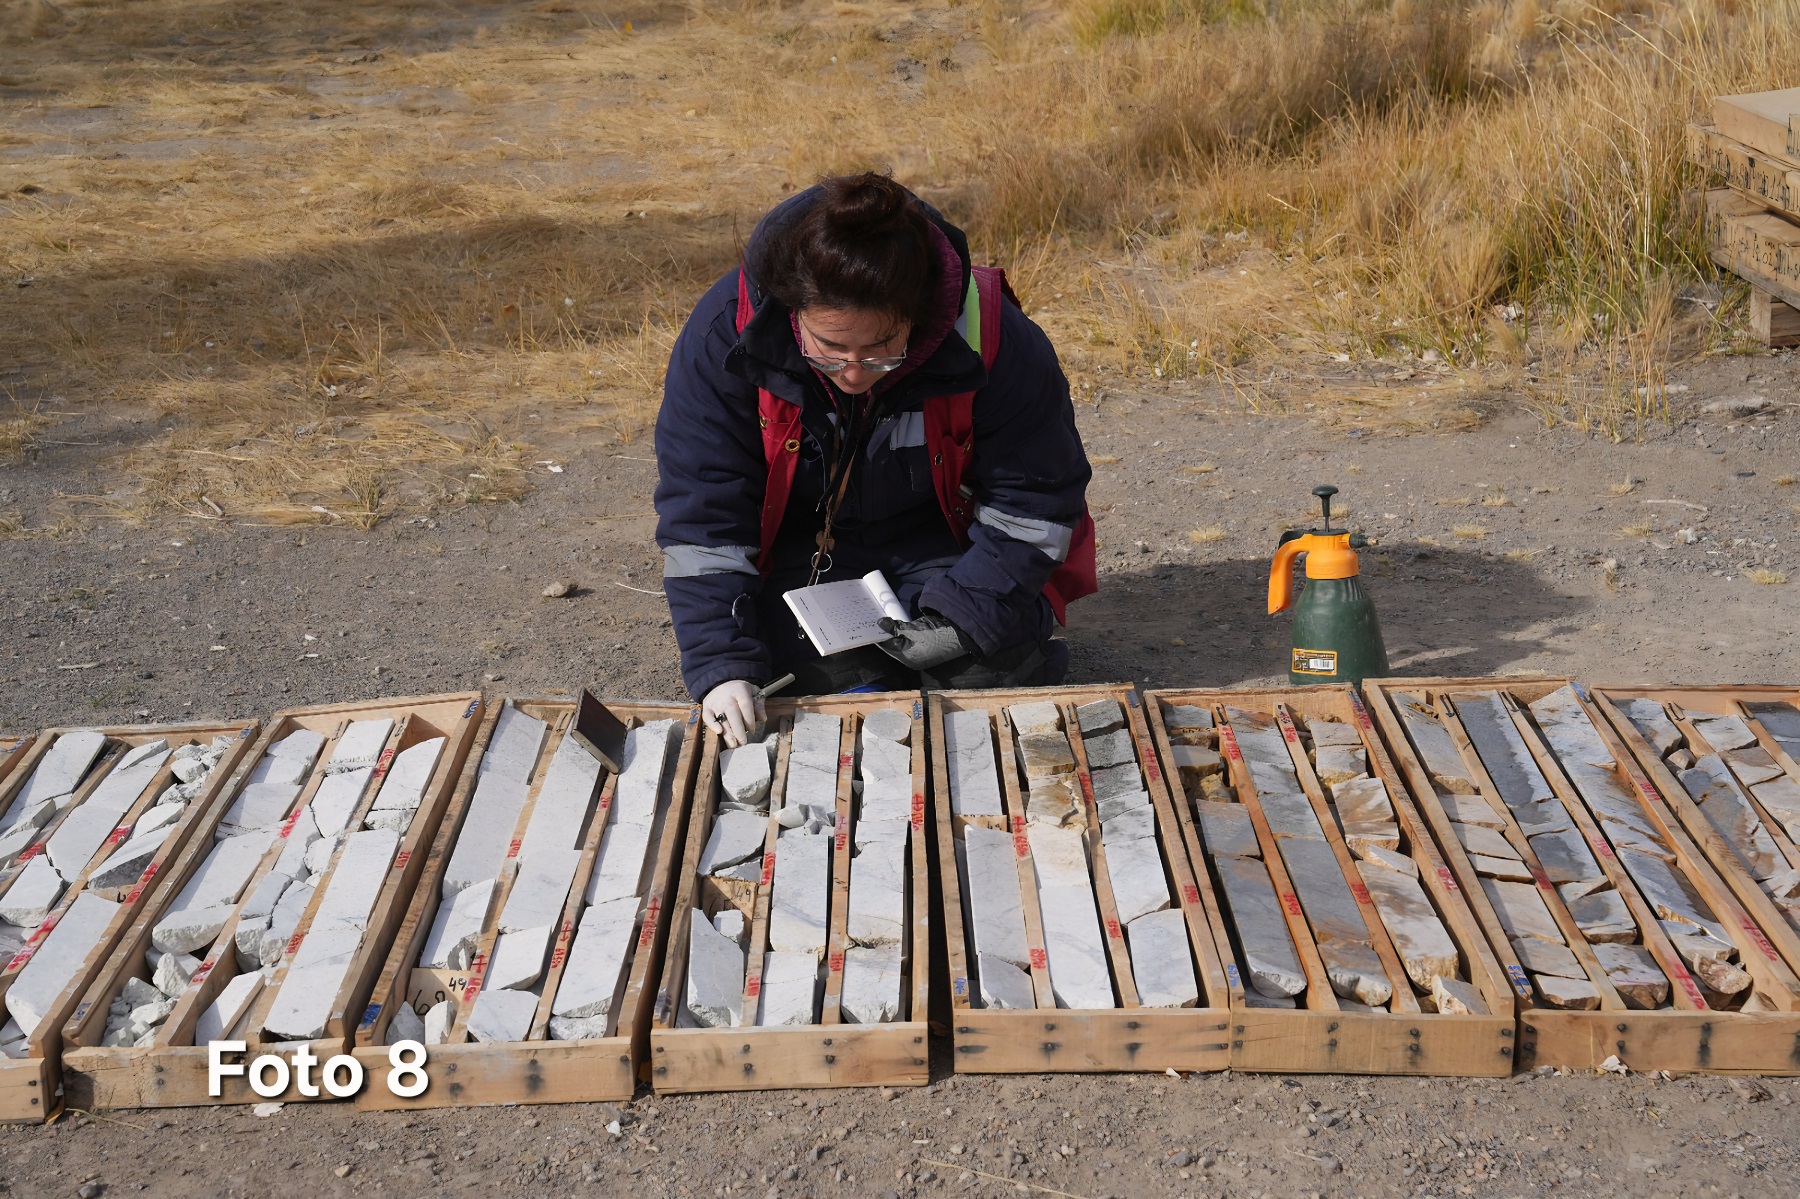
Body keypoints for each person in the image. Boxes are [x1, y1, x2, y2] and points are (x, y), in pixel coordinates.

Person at [654, 173, 1097, 747]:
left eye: (882, 351)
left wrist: (962, 614)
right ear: (793, 313)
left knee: (987, 671)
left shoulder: (992, 337)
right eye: (830, 352)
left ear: (917, 315)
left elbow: (1036, 503)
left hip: (948, 549)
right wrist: (721, 665)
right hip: (803, 560)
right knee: (823, 689)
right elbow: (704, 518)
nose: (856, 374)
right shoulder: (726, 339)